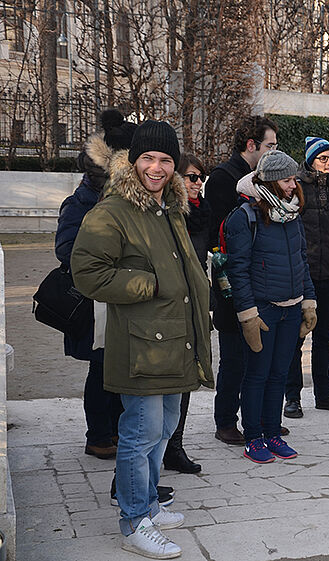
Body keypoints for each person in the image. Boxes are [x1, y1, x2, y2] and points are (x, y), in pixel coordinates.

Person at [71, 120, 213, 559]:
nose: (156, 167)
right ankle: (134, 521)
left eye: (166, 160)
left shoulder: (168, 207)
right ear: (132, 162)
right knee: (140, 431)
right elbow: (88, 272)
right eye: (148, 158)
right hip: (142, 343)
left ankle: (149, 504)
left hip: (174, 338)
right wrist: (146, 285)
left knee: (164, 428)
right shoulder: (113, 209)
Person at [224, 150, 317, 463]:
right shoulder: (245, 216)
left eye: (294, 179)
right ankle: (253, 436)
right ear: (273, 180)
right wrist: (248, 315)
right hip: (262, 310)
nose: (294, 185)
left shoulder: (292, 214)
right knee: (257, 375)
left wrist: (308, 302)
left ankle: (272, 432)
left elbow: (302, 261)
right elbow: (238, 269)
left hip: (290, 310)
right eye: (289, 179)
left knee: (279, 374)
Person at [55, 108, 135, 460]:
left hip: (122, 300)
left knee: (119, 369)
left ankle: (115, 432)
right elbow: (67, 250)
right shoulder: (82, 202)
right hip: (96, 302)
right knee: (102, 369)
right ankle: (99, 435)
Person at [206, 116, 279, 445]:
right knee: (234, 358)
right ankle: (225, 420)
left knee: (261, 356)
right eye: (270, 146)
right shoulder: (224, 178)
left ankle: (258, 417)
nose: (274, 151)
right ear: (252, 146)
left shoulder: (267, 180)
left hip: (263, 283)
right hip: (233, 284)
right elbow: (221, 235)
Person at [283, 137, 329, 419]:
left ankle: (324, 394)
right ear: (311, 161)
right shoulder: (296, 188)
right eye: (323, 158)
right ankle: (292, 396)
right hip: (303, 278)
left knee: (324, 339)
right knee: (295, 340)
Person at [161, 154, 210, 475]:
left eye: (200, 178)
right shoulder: (168, 215)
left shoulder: (202, 213)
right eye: (191, 177)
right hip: (167, 309)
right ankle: (158, 447)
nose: (197, 183)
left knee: (186, 378)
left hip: (196, 305)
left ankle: (175, 447)